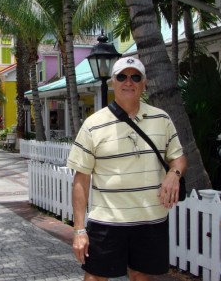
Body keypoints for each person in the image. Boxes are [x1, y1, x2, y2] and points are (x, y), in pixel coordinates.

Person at [67, 56, 187, 281]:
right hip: (107, 221)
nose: (128, 82)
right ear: (113, 81)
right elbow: (81, 180)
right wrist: (79, 230)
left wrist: (174, 173)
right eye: (122, 76)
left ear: (144, 83)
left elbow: (178, 158)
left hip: (150, 220)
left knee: (141, 275)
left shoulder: (161, 119)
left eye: (135, 76)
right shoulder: (93, 124)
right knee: (95, 277)